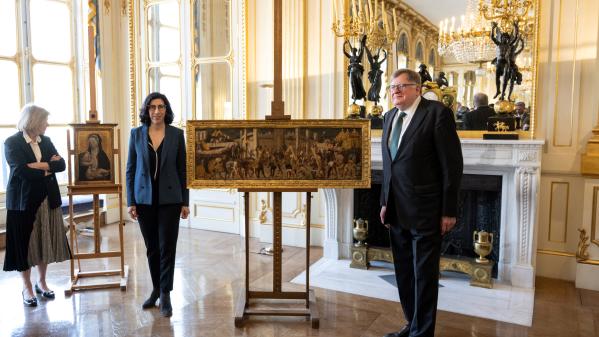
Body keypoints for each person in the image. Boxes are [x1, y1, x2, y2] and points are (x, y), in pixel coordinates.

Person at [380, 69, 463, 337]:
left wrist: (448, 210)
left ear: (417, 88)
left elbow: (452, 166)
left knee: (424, 275)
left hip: (427, 210)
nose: (396, 91)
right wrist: (384, 202)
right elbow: (389, 167)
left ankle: (422, 332)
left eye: (402, 86)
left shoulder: (437, 113)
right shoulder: (389, 117)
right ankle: (412, 324)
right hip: (397, 208)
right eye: (392, 87)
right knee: (403, 272)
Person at [126, 92, 190, 317]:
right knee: (152, 248)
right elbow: (130, 170)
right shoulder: (136, 134)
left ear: (166, 109)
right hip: (143, 201)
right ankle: (155, 289)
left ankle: (165, 294)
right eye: (152, 107)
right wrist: (130, 202)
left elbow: (183, 170)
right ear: (147, 110)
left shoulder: (176, 134)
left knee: (167, 248)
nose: (156, 111)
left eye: (161, 107)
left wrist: (185, 201)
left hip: (171, 201)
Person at [3, 104, 71, 307]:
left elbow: (62, 165)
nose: (47, 124)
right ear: (33, 122)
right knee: (25, 245)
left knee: (44, 241)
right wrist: (48, 167)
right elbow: (22, 172)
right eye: (44, 121)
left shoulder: (46, 141)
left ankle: (41, 282)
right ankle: (27, 287)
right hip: (23, 202)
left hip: (47, 199)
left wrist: (41, 166)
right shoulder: (12, 142)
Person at [343, 35, 368, 103]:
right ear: (352, 51)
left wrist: (362, 43)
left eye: (354, 50)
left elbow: (362, 51)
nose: (353, 51)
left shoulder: (358, 57)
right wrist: (344, 44)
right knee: (352, 83)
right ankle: (354, 96)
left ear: (355, 51)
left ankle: (363, 95)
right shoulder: (351, 57)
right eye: (352, 50)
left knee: (359, 82)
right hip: (351, 71)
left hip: (357, 71)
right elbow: (344, 52)